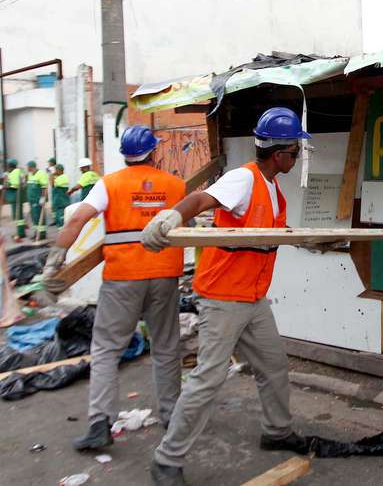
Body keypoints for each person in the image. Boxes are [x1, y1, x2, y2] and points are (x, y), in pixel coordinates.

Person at [142, 107, 309, 486]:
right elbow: (200, 201)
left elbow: (265, 240)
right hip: (223, 297)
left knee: (273, 365)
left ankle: (277, 432)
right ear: (281, 153)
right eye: (295, 150)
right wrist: (170, 218)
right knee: (208, 379)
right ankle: (167, 460)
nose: (297, 156)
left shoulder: (272, 189)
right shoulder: (243, 180)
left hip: (252, 298)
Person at [42, 126, 185, 451]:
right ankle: (172, 416)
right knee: (165, 347)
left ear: (124, 154)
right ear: (154, 152)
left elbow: (77, 220)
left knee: (106, 349)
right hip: (164, 275)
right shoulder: (175, 185)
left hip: (123, 279)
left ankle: (100, 424)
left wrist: (55, 261)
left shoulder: (110, 184)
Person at [3, 159, 26, 242]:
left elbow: (18, 184)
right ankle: (20, 232)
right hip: (15, 196)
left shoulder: (16, 172)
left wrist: (6, 185)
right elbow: (23, 183)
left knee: (18, 215)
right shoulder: (18, 172)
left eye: (8, 166)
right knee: (17, 215)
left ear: (10, 166)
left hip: (16, 195)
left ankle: (19, 233)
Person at [26, 161, 49, 240]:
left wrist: (43, 198)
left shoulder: (41, 174)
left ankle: (42, 234)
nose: (27, 168)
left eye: (28, 167)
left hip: (38, 200)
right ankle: (36, 233)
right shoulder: (30, 175)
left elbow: (44, 188)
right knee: (34, 217)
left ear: (32, 167)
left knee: (39, 217)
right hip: (32, 200)